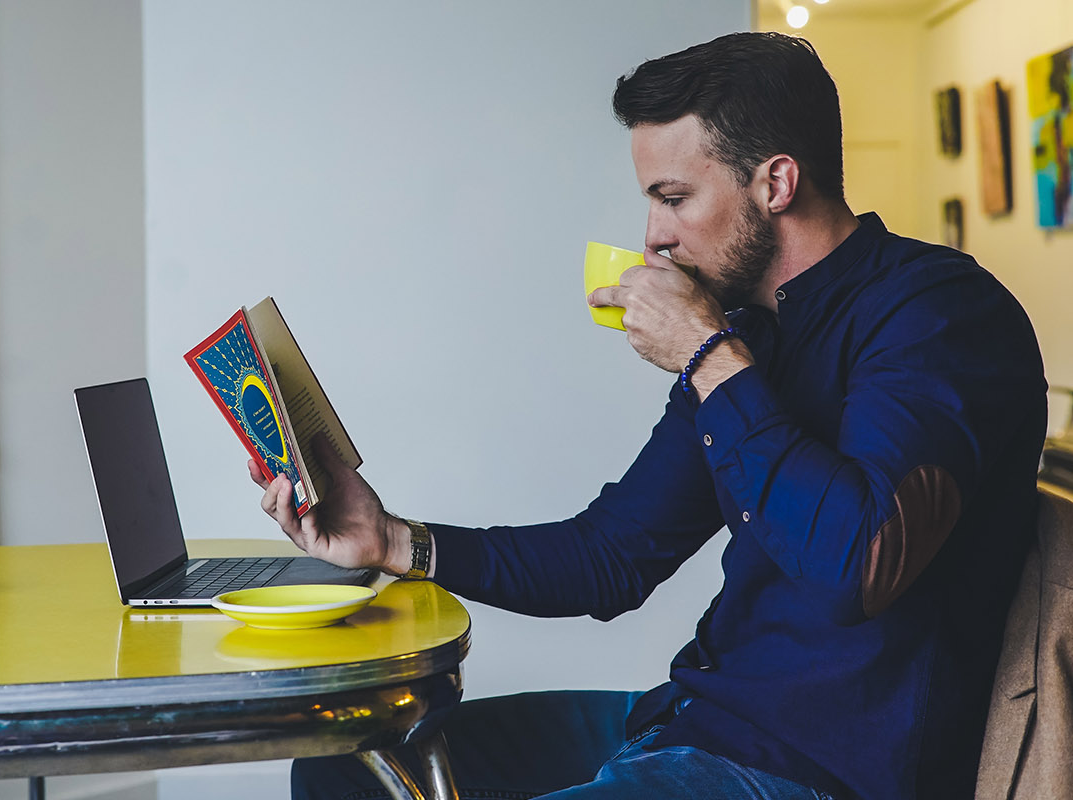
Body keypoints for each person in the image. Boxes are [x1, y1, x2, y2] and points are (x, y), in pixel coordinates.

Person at [248, 31, 1047, 800]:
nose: (653, 239)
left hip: (814, 769)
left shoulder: (939, 315)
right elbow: (612, 556)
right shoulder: (748, 335)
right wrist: (392, 540)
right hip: (692, 720)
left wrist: (707, 353)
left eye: (674, 199)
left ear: (775, 183)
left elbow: (858, 566)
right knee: (344, 769)